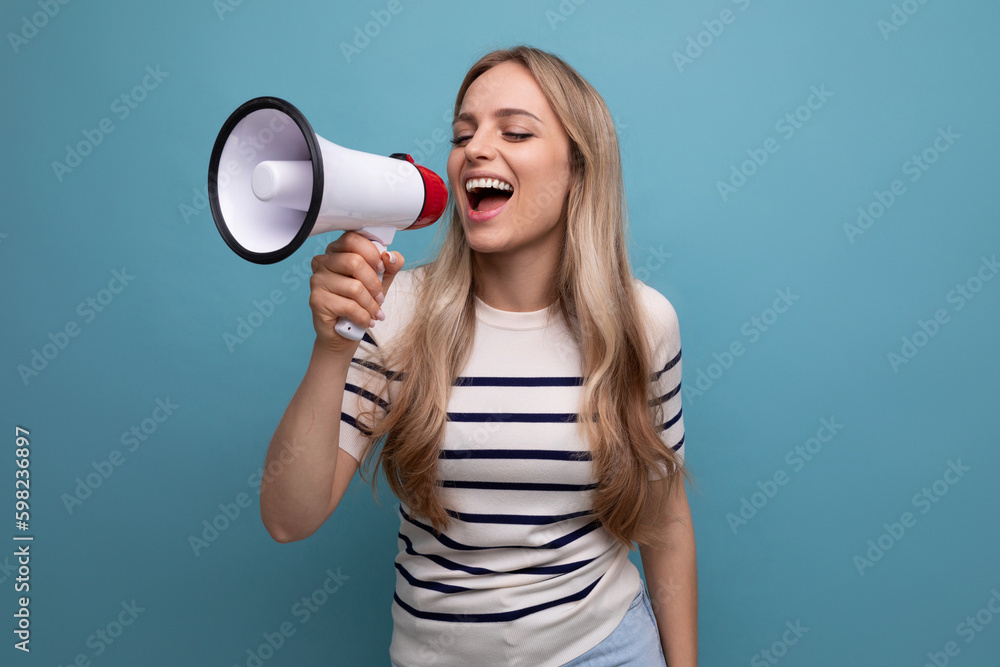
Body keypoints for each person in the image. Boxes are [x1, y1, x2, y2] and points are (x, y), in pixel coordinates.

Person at [259, 45, 697, 667]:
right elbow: (287, 517)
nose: (475, 149)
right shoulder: (398, 312)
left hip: (606, 649)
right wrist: (333, 348)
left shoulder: (643, 323)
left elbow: (666, 519)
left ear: (580, 168)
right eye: (463, 133)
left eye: (514, 131)